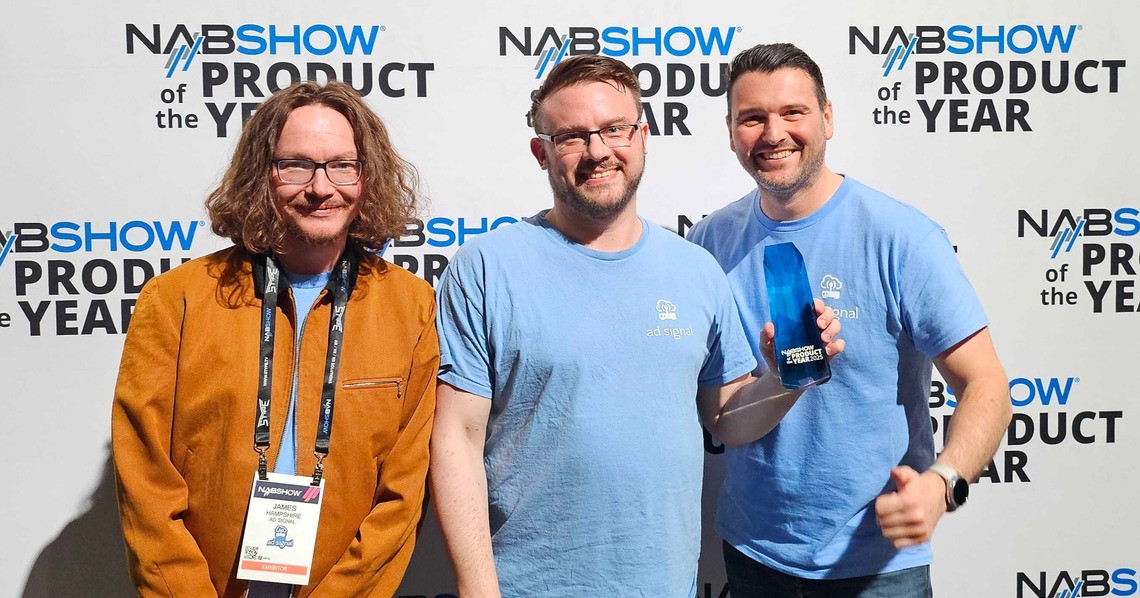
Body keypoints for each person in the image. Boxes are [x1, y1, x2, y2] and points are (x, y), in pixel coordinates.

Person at [429, 55, 842, 597]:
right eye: (572, 136)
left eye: (615, 129)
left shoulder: (695, 269)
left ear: (643, 137)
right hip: (524, 586)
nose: (598, 151)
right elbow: (456, 437)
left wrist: (786, 379)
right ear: (540, 152)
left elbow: (726, 419)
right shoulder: (486, 267)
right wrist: (478, 589)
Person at [687, 43, 1013, 597]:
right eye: (753, 117)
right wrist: (782, 378)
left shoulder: (901, 238)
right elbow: (724, 418)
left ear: (828, 117)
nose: (773, 133)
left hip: (880, 566)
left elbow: (987, 385)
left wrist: (943, 483)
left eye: (793, 112)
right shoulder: (710, 241)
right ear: (731, 131)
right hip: (754, 554)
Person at [111, 80, 439, 598]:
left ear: (368, 175)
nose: (321, 187)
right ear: (260, 174)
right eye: (296, 165)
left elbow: (404, 491)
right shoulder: (176, 299)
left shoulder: (411, 306)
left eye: (342, 165)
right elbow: (144, 479)